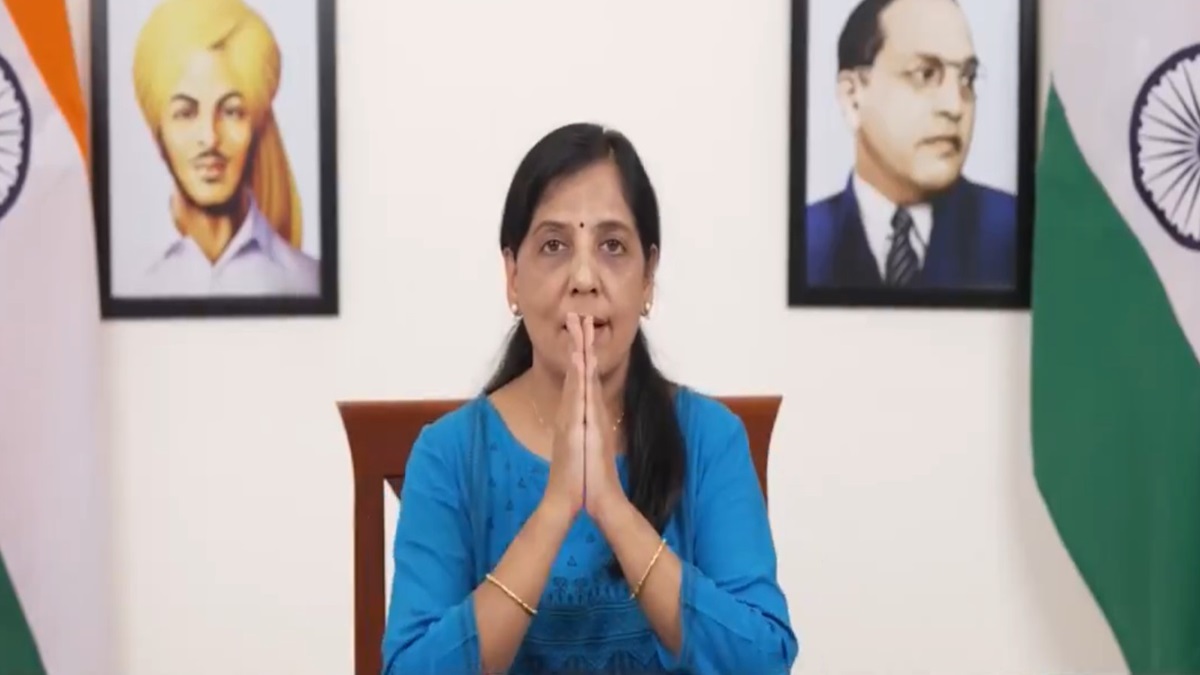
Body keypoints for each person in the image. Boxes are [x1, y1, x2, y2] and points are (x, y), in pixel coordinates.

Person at [381, 123, 798, 674]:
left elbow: (762, 661)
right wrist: (556, 509)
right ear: (512, 276)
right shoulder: (451, 454)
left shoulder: (709, 439)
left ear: (648, 278)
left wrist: (611, 507)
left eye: (612, 246)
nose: (583, 277)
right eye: (554, 246)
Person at [804, 0, 1017, 289]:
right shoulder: (804, 241)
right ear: (853, 97)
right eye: (925, 74)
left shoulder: (1015, 232)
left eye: (967, 78)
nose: (955, 106)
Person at [127, 0, 319, 297]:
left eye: (231, 111)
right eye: (186, 113)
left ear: (256, 125)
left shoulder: (307, 281)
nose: (210, 138)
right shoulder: (130, 282)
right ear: (158, 133)